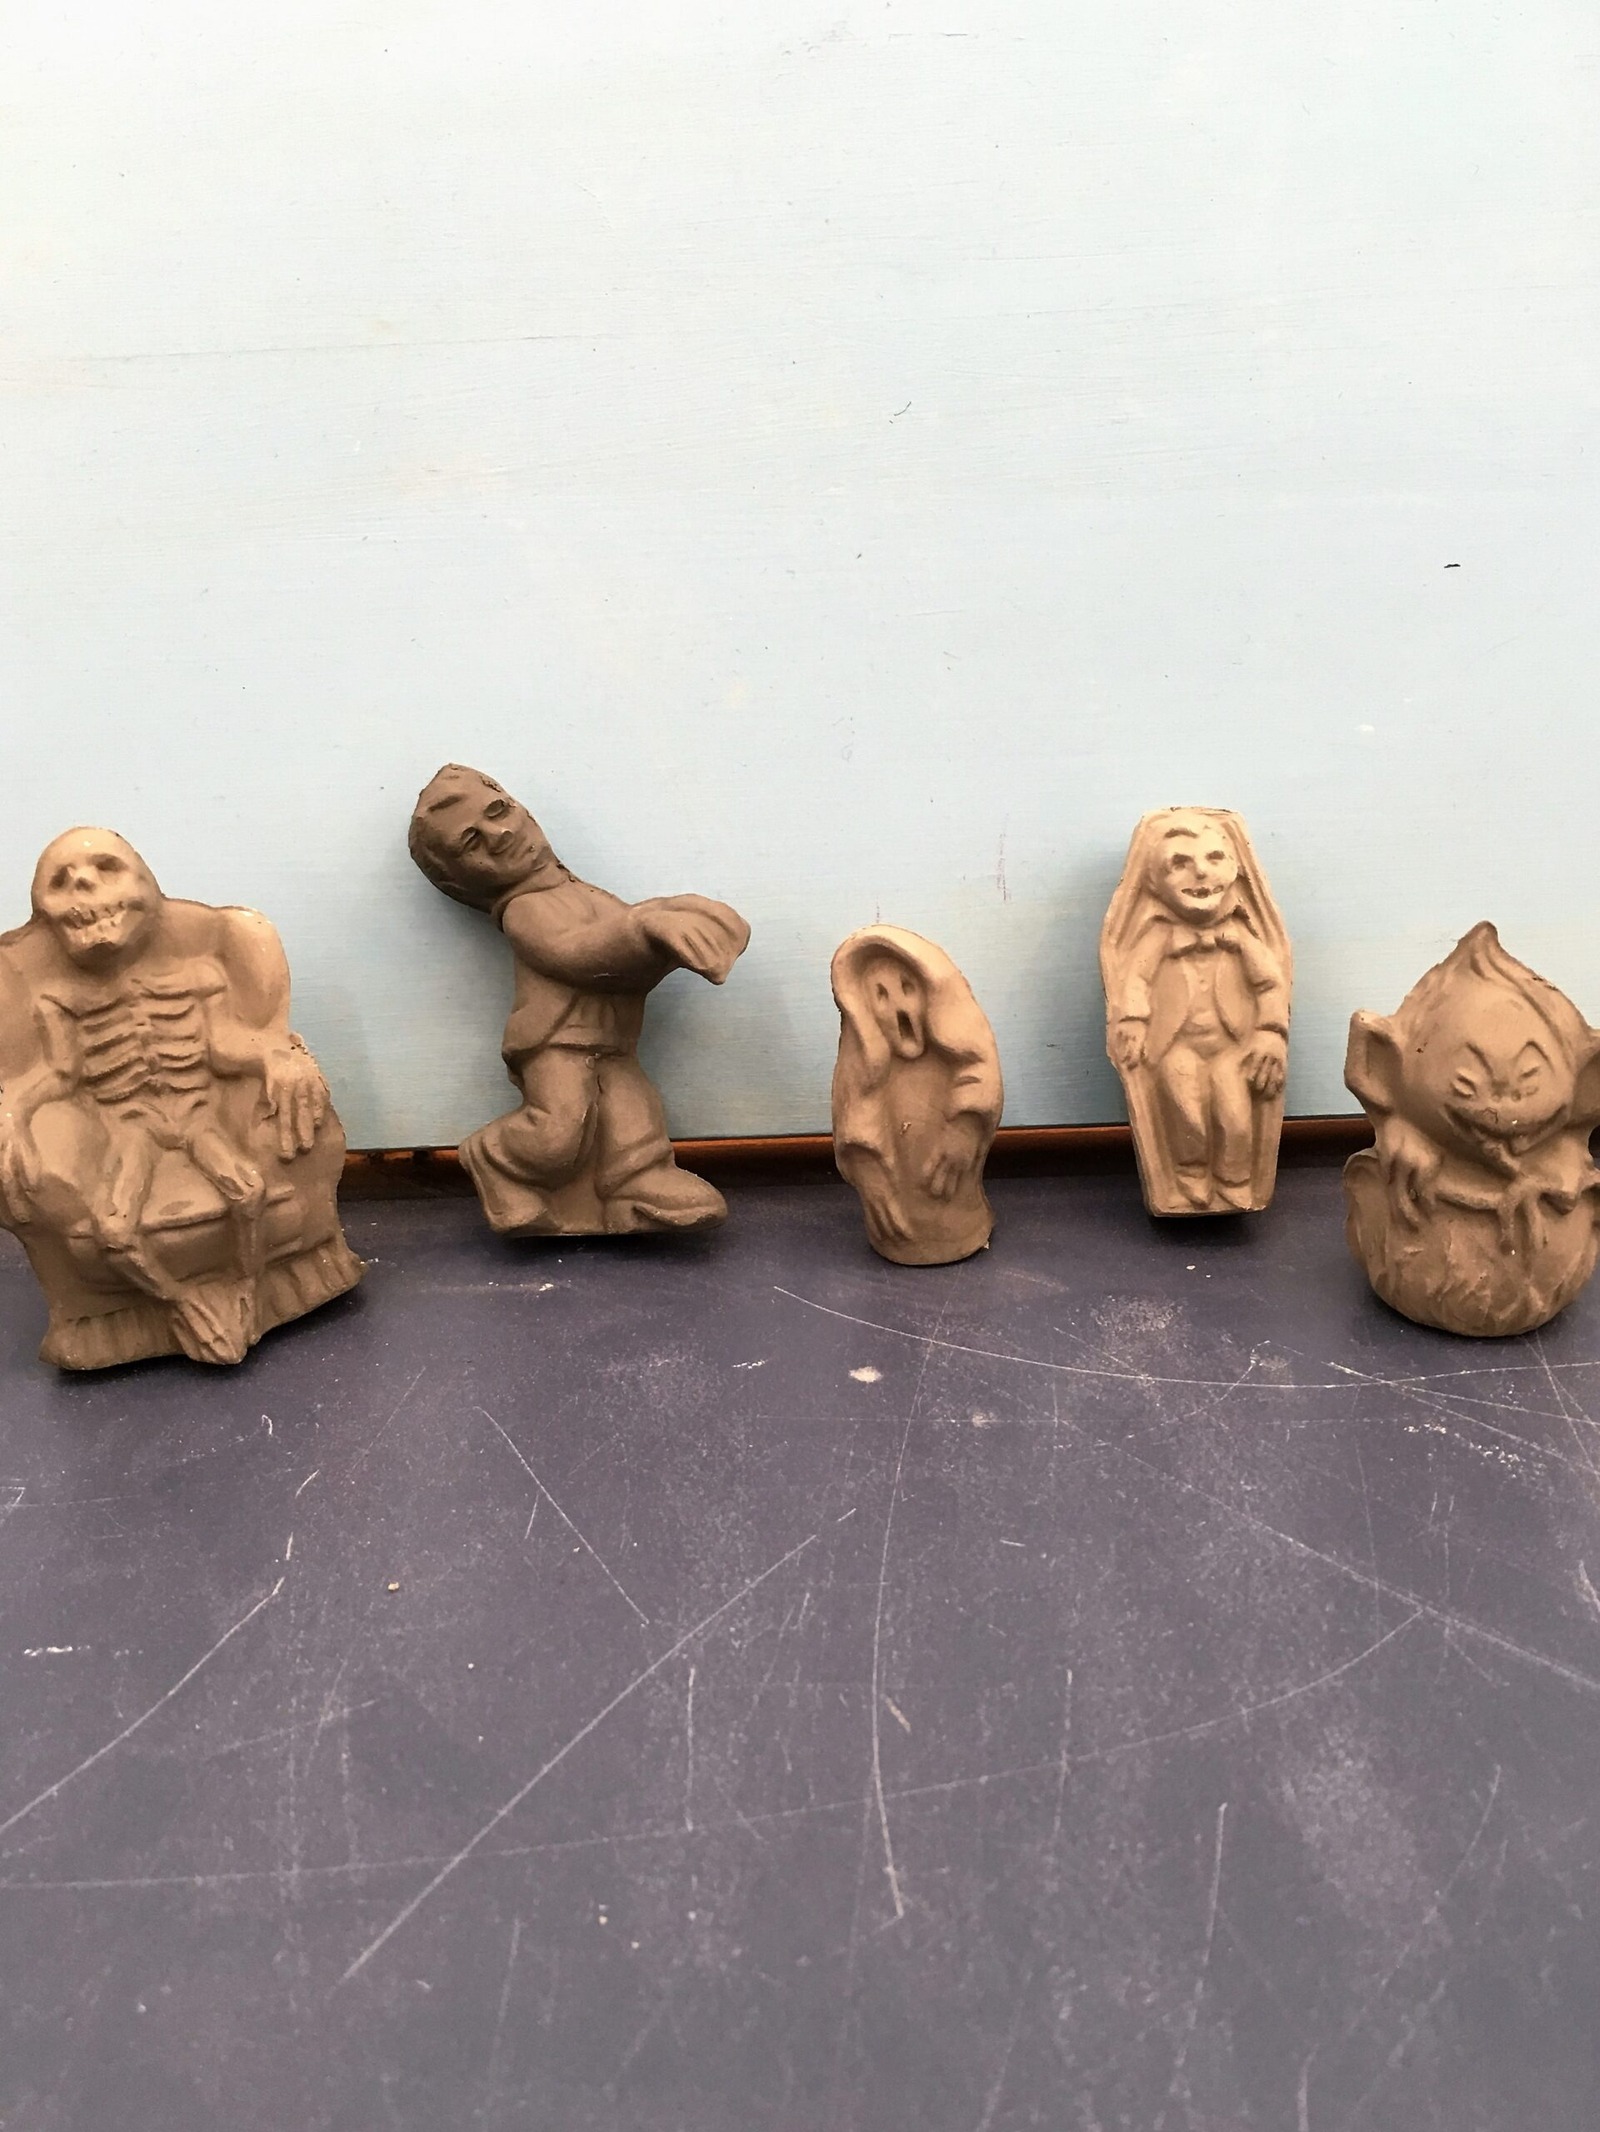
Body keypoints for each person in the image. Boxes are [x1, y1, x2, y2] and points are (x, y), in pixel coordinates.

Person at [408, 765, 750, 1235]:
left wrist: (679, 923)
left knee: (634, 1111)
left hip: (613, 1039)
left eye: (499, 811)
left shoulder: (581, 892)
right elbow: (580, 954)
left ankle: (638, 1182)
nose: (499, 834)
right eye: (472, 842)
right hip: (556, 1043)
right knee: (557, 1134)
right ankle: (491, 1156)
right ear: (461, 882)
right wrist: (648, 927)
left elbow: (628, 956)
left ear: (524, 811)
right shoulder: (526, 911)